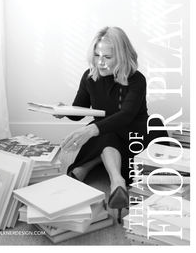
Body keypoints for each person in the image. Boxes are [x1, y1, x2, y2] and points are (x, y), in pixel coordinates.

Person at [58, 26, 168, 223]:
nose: (100, 61)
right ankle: (117, 182)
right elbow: (79, 110)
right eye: (97, 54)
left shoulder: (136, 80)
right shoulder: (89, 76)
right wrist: (63, 111)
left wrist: (91, 129)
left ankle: (85, 169)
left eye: (107, 57)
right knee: (105, 132)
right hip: (107, 131)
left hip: (135, 132)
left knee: (103, 131)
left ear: (122, 56)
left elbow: (126, 116)